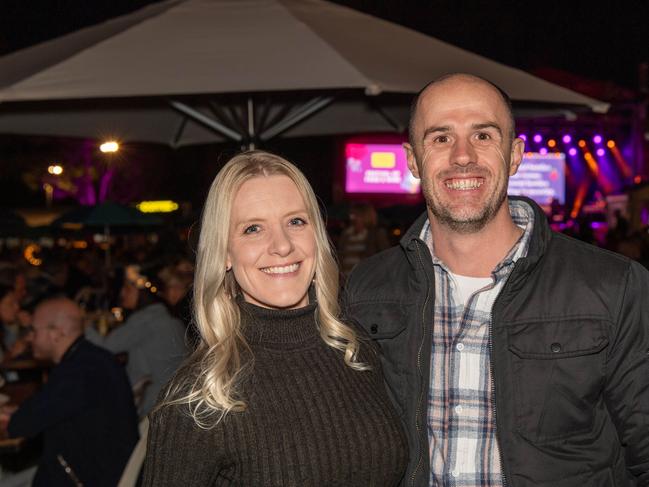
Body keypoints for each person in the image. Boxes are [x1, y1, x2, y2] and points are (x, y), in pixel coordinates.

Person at [343, 73, 649, 486]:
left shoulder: (614, 286)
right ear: (413, 159)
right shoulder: (366, 291)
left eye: (483, 135)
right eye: (440, 138)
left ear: (515, 153)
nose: (463, 156)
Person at [142, 151, 407, 486]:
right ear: (224, 252)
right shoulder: (198, 400)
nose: (281, 245)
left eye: (296, 221)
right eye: (253, 229)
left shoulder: (358, 349)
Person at [1, 297, 138, 487]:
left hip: (86, 477)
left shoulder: (76, 372)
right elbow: (49, 406)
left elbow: (19, 425)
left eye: (33, 330)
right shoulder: (94, 358)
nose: (29, 337)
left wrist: (13, 415)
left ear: (56, 333)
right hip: (105, 470)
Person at [86, 265, 188, 416]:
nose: (122, 294)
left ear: (142, 292)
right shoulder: (162, 316)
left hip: (153, 404)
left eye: (127, 289)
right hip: (171, 397)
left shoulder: (147, 319)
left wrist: (84, 324)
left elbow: (105, 346)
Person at [337, 202, 391, 277]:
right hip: (346, 281)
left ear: (366, 217)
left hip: (367, 280)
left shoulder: (376, 235)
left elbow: (386, 257)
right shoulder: (346, 234)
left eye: (356, 215)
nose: (352, 218)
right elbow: (340, 257)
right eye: (352, 215)